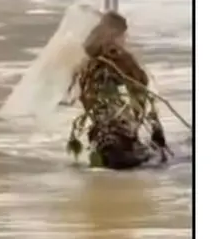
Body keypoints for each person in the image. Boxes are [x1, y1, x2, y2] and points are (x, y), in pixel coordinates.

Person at [65, 10, 171, 170]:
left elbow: (83, 96)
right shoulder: (119, 60)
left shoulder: (88, 64)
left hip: (101, 131)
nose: (125, 39)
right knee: (154, 161)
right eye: (123, 35)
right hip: (119, 131)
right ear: (115, 35)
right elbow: (140, 84)